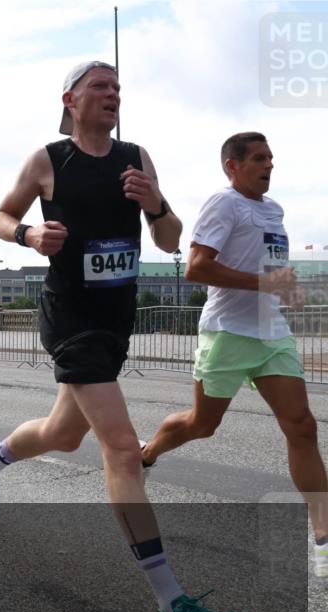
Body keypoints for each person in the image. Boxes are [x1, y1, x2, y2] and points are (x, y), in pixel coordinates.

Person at [0, 61, 249, 612]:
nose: (113, 96)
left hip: (116, 321)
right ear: (71, 99)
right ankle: (174, 610)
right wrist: (28, 237)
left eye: (117, 89)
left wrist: (156, 202)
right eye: (101, 88)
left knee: (63, 434)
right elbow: (1, 215)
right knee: (120, 447)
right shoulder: (48, 160)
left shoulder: (136, 157)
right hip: (70, 319)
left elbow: (169, 240)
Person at [140, 132, 328, 576]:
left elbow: (269, 268)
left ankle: (322, 535)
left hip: (270, 332)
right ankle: (146, 454)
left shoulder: (274, 210)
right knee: (202, 424)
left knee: (302, 426)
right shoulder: (223, 203)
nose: (269, 165)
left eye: (272, 158)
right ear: (233, 165)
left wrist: (287, 286)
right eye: (260, 158)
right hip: (227, 331)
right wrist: (265, 284)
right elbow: (196, 267)